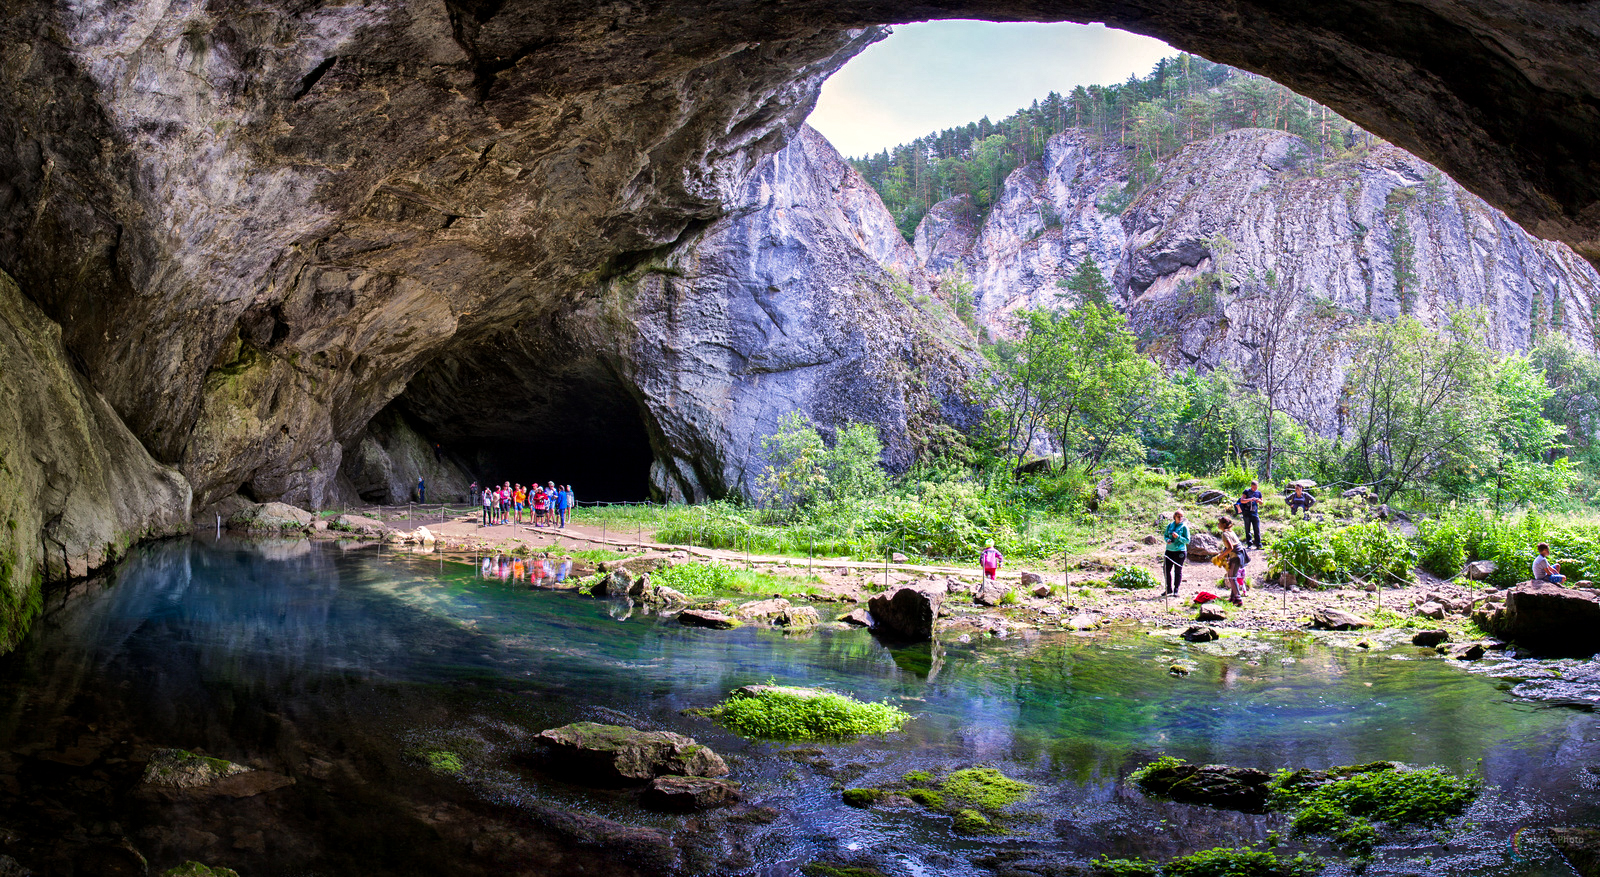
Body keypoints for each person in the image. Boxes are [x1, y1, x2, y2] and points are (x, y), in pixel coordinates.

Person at [1216, 515, 1248, 606]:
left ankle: (1238, 598)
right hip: (1239, 555)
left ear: (1224, 524)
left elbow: (1230, 547)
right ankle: (1233, 597)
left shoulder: (1225, 534)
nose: (1218, 525)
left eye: (1219, 523)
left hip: (1236, 556)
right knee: (1232, 576)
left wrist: (1222, 556)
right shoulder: (1231, 532)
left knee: (1232, 577)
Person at [1162, 510, 1190, 596]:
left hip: (1180, 551)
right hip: (1169, 551)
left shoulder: (1184, 527)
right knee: (1166, 570)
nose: (1180, 518)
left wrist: (1178, 537)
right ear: (1174, 516)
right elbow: (1165, 535)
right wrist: (1167, 540)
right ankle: (1168, 588)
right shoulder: (1170, 525)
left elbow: (1187, 540)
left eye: (1182, 516)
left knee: (1177, 570)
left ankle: (1176, 589)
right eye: (1178, 516)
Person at [1238, 480, 1263, 549]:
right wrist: (1250, 499)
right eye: (1253, 487)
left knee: (1257, 529)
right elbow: (1242, 500)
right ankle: (1249, 544)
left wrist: (1258, 500)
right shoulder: (1246, 491)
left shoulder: (1258, 493)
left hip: (1255, 512)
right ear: (1251, 486)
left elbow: (1262, 502)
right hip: (1246, 512)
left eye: (1256, 487)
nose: (1254, 489)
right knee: (1247, 529)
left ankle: (1258, 544)